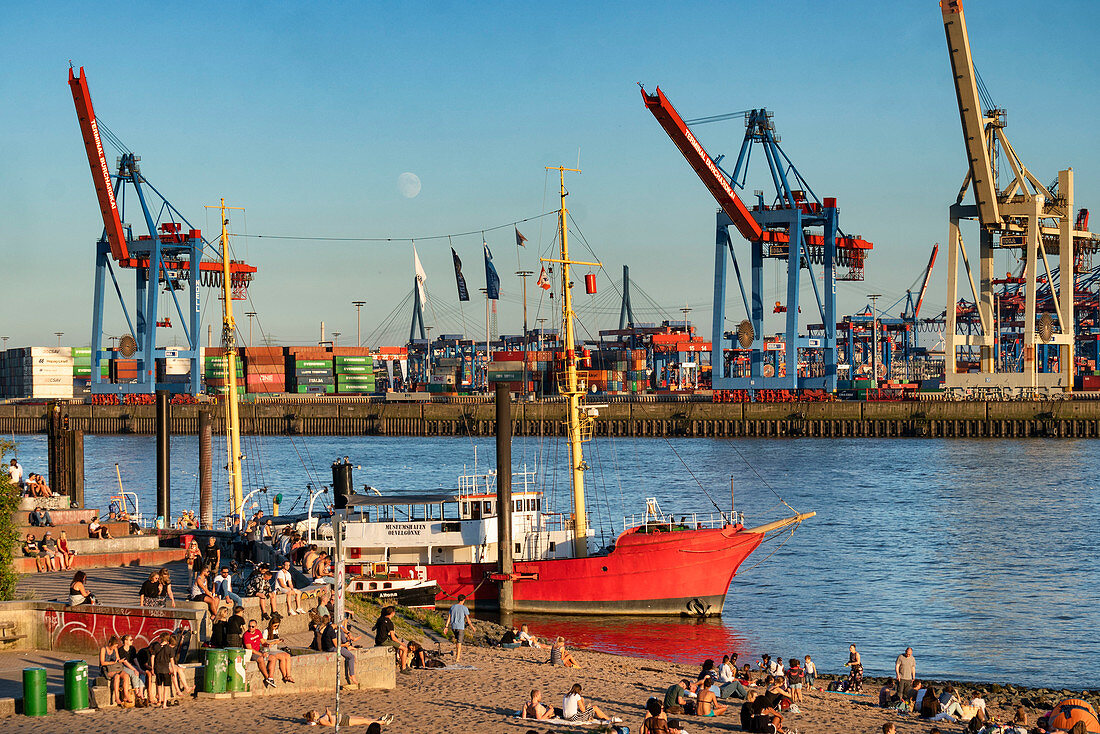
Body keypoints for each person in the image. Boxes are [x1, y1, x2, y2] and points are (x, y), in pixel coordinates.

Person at [321, 614, 358, 686]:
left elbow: (340, 629)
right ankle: (352, 675)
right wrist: (345, 645)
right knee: (351, 657)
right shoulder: (331, 631)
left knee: (340, 631)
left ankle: (348, 647)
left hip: (329, 646)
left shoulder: (329, 627)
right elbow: (336, 645)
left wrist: (347, 633)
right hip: (331, 648)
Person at [372, 606, 409, 671]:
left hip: (377, 640)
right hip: (384, 641)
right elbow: (393, 638)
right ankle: (403, 668)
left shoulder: (380, 619)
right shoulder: (389, 622)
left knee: (398, 646)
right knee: (405, 649)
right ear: (392, 613)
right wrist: (401, 643)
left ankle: (401, 663)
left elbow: (373, 628)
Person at [100, 635, 133, 706]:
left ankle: (126, 695)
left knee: (126, 675)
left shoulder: (115, 649)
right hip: (106, 669)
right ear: (110, 644)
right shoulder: (103, 649)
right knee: (117, 676)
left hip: (115, 667)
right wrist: (112, 662)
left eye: (116, 646)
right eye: (114, 646)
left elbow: (117, 659)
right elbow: (102, 662)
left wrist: (120, 660)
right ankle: (116, 697)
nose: (115, 648)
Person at [244, 618, 277, 688]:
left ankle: (271, 677)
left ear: (256, 627)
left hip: (259, 651)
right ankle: (267, 677)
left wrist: (267, 645)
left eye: (252, 626)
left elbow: (263, 642)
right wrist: (261, 654)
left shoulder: (258, 632)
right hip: (251, 653)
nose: (250, 628)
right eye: (249, 626)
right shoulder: (246, 635)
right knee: (261, 659)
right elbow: (250, 649)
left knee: (273, 658)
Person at [262, 617, 295, 683]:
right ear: (271, 624)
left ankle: (288, 675)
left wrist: (279, 641)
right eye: (275, 626)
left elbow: (276, 641)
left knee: (287, 656)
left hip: (275, 649)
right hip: (268, 650)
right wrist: (274, 642)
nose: (276, 627)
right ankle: (285, 676)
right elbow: (263, 643)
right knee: (282, 657)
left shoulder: (276, 631)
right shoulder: (266, 631)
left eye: (277, 626)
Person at [443, 594, 473, 663]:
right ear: (464, 600)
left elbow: (449, 618)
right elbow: (468, 620)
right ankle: (457, 658)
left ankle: (457, 655)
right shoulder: (464, 608)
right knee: (459, 643)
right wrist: (472, 627)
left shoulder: (452, 607)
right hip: (460, 627)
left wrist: (446, 627)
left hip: (453, 627)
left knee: (457, 641)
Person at [118, 634, 146, 705]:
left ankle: (141, 692)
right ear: (126, 641)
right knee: (134, 673)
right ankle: (137, 692)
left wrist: (139, 668)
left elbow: (135, 659)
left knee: (142, 673)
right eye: (130, 640)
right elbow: (125, 662)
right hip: (124, 666)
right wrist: (134, 670)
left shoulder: (132, 648)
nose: (132, 641)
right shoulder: (121, 650)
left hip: (132, 665)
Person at [153, 632, 178, 707]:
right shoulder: (169, 649)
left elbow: (152, 657)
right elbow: (172, 661)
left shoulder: (156, 647)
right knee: (166, 687)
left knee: (159, 686)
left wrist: (153, 667)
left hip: (158, 669)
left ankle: (159, 701)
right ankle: (164, 704)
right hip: (166, 670)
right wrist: (174, 670)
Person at [303, 708, 392, 727]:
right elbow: (331, 724)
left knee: (362, 718)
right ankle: (383, 722)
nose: (317, 712)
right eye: (316, 713)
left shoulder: (320, 718)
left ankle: (378, 719)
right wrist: (329, 715)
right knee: (364, 721)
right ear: (314, 717)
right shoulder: (321, 720)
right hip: (343, 721)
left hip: (343, 717)